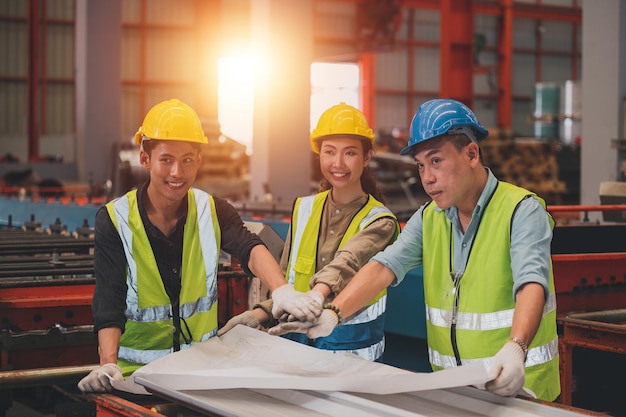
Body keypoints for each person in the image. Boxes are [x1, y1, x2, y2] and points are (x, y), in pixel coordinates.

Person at [269, 98, 561, 401]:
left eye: (436, 161)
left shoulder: (521, 211)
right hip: (458, 393)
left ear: (471, 154)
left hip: (520, 389)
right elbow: (384, 267)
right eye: (421, 165)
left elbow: (531, 282)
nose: (427, 178)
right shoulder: (430, 217)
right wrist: (333, 314)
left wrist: (517, 347)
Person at [78, 99, 323, 393]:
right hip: (137, 379)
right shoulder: (114, 220)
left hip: (199, 374)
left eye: (188, 160)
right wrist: (108, 363)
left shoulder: (212, 210)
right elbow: (109, 300)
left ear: (199, 160)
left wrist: (281, 290)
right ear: (145, 159)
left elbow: (250, 247)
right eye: (166, 159)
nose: (177, 173)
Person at [218, 102, 400, 361]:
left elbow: (346, 262)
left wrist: (317, 295)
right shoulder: (304, 209)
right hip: (296, 353)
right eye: (329, 152)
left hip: (352, 360)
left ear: (367, 157)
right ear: (319, 154)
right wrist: (256, 315)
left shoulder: (379, 220)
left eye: (349, 153)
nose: (338, 163)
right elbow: (289, 286)